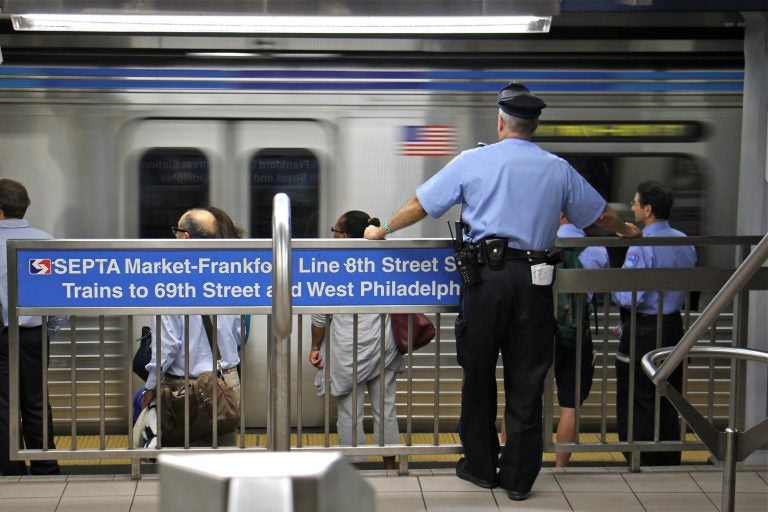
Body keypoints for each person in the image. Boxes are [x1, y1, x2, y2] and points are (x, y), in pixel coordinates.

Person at [364, 82, 640, 501]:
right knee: (527, 379)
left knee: (477, 373)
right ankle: (518, 478)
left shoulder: (473, 161)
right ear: (535, 125)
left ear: (500, 123)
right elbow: (600, 215)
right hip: (535, 282)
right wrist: (626, 230)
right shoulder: (557, 167)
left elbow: (422, 204)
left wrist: (382, 229)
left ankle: (479, 467)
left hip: (485, 281)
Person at [310, 211, 405, 470]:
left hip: (346, 349)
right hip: (383, 347)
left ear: (347, 235)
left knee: (349, 412)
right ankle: (389, 465)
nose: (332, 235)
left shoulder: (335, 266)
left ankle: (354, 467)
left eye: (335, 230)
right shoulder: (385, 261)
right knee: (385, 408)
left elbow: (319, 316)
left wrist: (315, 347)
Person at [139, 208, 241, 445]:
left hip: (186, 388)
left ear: (185, 236)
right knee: (224, 455)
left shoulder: (172, 281)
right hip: (225, 381)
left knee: (185, 460)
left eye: (176, 231)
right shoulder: (231, 275)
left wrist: (151, 386)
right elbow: (237, 333)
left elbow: (167, 345)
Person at [612, 181, 696, 466]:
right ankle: (669, 456)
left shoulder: (643, 247)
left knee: (639, 394)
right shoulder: (684, 241)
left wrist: (613, 289)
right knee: (669, 394)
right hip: (673, 326)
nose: (632, 207)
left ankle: (641, 457)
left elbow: (629, 296)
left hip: (644, 330)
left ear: (647, 210)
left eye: (636, 203)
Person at [0, 178, 65, 475]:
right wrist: (45, 332)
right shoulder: (45, 242)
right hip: (33, 336)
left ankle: (9, 469)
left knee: (2, 406)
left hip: (1, 336)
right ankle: (45, 467)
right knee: (37, 401)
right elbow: (60, 300)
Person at [553, 213, 609, 467]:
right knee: (570, 405)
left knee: (520, 399)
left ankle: (508, 458)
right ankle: (560, 467)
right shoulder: (596, 250)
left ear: (560, 214)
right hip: (576, 333)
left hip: (536, 330)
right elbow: (602, 289)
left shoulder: (538, 244)